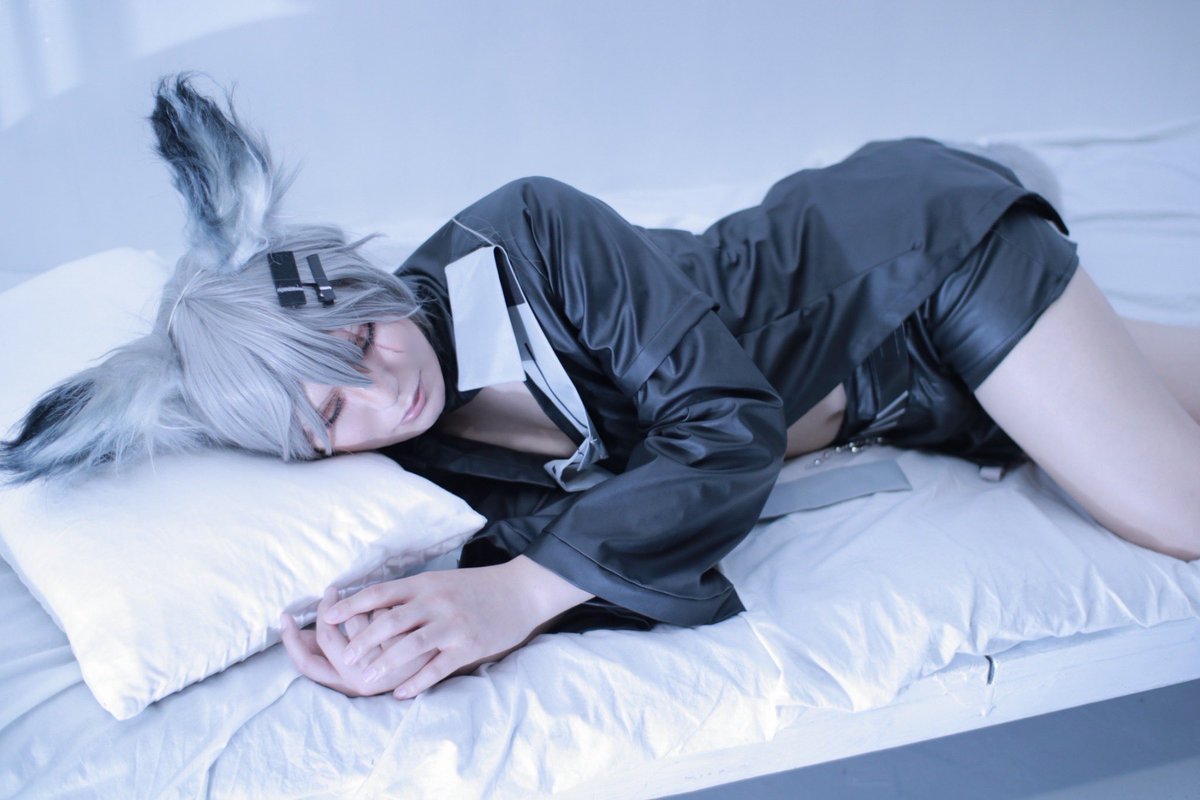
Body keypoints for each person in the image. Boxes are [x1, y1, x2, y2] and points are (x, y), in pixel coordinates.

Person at [3, 76, 1199, 701]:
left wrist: (521, 592)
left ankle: (996, 187)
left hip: (916, 260)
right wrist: (388, 632)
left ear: (358, 280)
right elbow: (579, 552)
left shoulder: (527, 229)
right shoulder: (413, 464)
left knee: (1179, 512)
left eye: (362, 332)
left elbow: (727, 429)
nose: (384, 382)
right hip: (909, 392)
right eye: (328, 415)